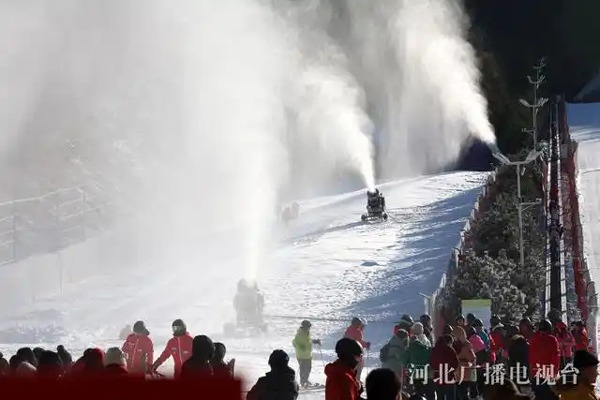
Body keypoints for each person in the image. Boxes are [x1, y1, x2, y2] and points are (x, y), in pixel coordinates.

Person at [292, 320, 321, 388]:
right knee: (303, 368)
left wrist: (315, 341)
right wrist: (300, 346)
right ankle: (303, 382)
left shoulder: (307, 332)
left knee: (308, 368)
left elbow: (308, 341)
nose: (309, 328)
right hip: (301, 355)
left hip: (307, 355)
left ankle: (305, 381)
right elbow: (294, 343)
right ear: (304, 326)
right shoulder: (299, 334)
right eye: (308, 327)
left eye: (309, 327)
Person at [430, 334, 458, 400]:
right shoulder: (450, 350)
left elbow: (431, 362)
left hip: (438, 376)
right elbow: (455, 363)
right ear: (449, 342)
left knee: (440, 396)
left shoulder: (434, 350)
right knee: (450, 396)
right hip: (449, 377)